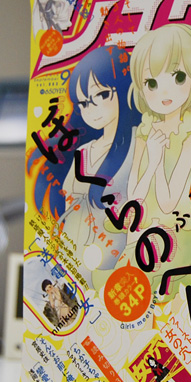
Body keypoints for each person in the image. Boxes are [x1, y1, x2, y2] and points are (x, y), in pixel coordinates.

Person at [95, 24, 191, 298]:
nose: (164, 93)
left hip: (172, 238)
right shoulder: (145, 131)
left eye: (178, 77)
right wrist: (151, 161)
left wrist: (158, 159)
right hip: (140, 238)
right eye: (151, 83)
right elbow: (135, 198)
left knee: (174, 293)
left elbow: (170, 201)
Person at [59, 46, 140, 282]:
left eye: (102, 95)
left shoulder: (140, 141)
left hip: (119, 265)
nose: (91, 109)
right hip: (75, 260)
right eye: (84, 103)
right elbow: (69, 208)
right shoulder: (83, 152)